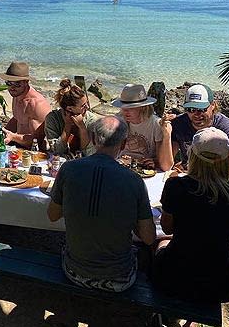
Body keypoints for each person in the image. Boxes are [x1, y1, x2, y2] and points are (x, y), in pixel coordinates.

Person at [153, 127, 229, 327]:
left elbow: (166, 227)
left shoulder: (176, 187)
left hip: (173, 278)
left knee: (161, 243)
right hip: (221, 285)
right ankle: (193, 318)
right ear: (224, 161)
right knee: (208, 262)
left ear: (193, 157)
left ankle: (162, 314)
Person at [47, 116, 156, 292]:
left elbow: (52, 215)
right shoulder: (134, 181)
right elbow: (149, 238)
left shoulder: (69, 169)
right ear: (123, 144)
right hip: (119, 279)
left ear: (94, 139)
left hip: (74, 271)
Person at [170, 84, 229, 175]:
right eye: (191, 109)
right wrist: (166, 133)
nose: (196, 114)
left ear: (213, 105)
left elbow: (227, 172)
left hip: (219, 182)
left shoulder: (228, 128)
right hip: (188, 177)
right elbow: (166, 164)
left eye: (201, 109)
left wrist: (191, 172)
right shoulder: (179, 123)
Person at [113, 83, 174, 171]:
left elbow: (166, 166)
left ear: (142, 107)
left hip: (144, 168)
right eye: (123, 107)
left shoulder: (155, 124)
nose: (125, 111)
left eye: (131, 107)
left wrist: (167, 135)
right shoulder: (118, 120)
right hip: (122, 165)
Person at [37, 78, 98, 156]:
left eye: (86, 103)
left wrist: (82, 128)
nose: (87, 107)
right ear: (69, 108)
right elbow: (57, 151)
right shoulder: (53, 118)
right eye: (83, 106)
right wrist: (67, 126)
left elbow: (89, 153)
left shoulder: (91, 120)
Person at [0, 61, 51, 148]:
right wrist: (3, 133)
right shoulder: (17, 95)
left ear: (26, 82)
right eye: (9, 83)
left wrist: (13, 137)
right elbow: (17, 119)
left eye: (17, 84)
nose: (12, 87)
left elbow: (38, 140)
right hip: (18, 146)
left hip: (34, 152)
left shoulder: (36, 105)